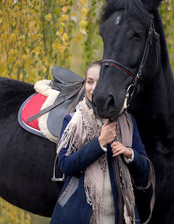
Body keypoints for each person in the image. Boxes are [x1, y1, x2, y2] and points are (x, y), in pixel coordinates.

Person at [50, 61, 150, 224]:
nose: (94, 88)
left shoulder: (128, 122)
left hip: (121, 217)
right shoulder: (72, 121)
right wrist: (100, 143)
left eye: (100, 81)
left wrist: (129, 153)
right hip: (79, 216)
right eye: (90, 81)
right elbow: (65, 165)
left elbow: (145, 171)